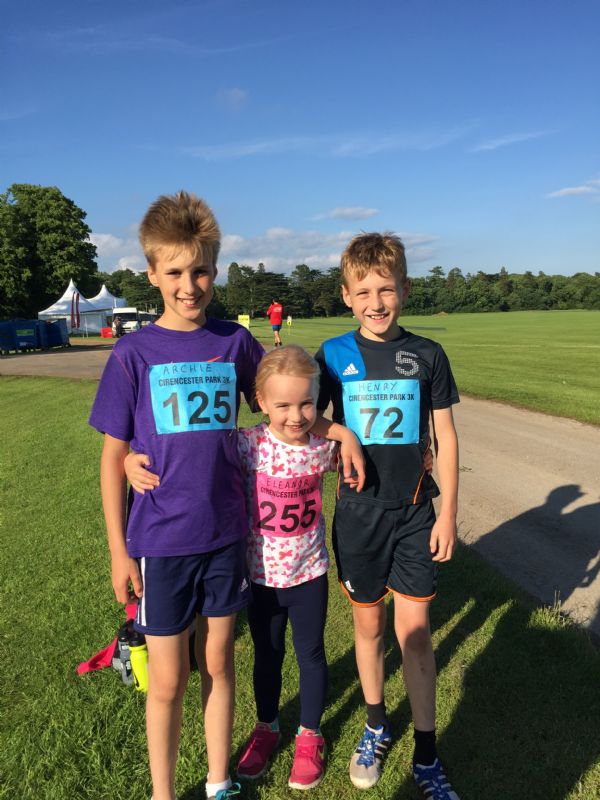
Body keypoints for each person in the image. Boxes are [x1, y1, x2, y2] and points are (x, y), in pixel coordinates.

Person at [124, 345, 368, 793]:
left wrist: (346, 435)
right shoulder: (246, 443)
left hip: (308, 572)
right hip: (258, 575)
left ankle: (309, 735)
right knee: (267, 654)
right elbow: (193, 458)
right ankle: (267, 726)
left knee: (311, 654)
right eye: (283, 405)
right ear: (259, 400)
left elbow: (357, 466)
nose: (296, 415)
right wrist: (127, 459)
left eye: (306, 404)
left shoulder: (323, 450)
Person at [89, 191, 264, 800]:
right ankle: (163, 793)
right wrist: (118, 552)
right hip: (161, 542)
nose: (189, 285)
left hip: (224, 536)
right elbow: (114, 457)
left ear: (215, 269)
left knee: (217, 663)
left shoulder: (236, 342)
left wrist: (337, 427)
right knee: (166, 681)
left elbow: (282, 400)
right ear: (152, 274)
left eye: (201, 271)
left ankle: (219, 782)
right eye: (175, 273)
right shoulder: (133, 352)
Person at [315, 233, 461, 800]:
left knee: (417, 635)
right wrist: (341, 430)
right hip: (358, 515)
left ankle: (426, 756)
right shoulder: (332, 354)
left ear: (404, 289)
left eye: (387, 289)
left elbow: (445, 437)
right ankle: (376, 725)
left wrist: (448, 511)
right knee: (369, 627)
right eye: (364, 291)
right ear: (347, 296)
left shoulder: (428, 355)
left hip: (414, 514)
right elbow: (306, 417)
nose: (376, 302)